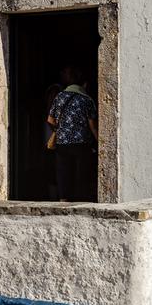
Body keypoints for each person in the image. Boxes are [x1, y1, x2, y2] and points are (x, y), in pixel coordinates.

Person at [47, 65, 97, 202]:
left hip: (62, 142)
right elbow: (92, 126)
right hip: (82, 143)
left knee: (63, 172)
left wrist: (60, 130)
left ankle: (63, 199)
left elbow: (50, 119)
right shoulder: (87, 100)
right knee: (81, 173)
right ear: (84, 85)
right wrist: (99, 142)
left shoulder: (60, 97)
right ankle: (81, 199)